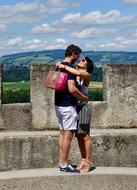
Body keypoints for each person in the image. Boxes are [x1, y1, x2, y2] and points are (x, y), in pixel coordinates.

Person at [56, 56, 95, 173]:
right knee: (78, 136)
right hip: (73, 107)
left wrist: (63, 65)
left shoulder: (86, 76)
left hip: (82, 108)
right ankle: (82, 160)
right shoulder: (75, 74)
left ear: (87, 67)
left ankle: (87, 161)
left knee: (85, 135)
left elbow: (75, 72)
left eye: (84, 61)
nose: (80, 61)